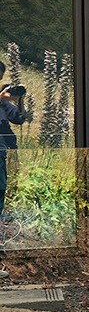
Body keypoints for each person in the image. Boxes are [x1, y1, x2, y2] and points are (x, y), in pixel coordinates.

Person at [0, 83, 24, 216]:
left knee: (2, 185)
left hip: (5, 150)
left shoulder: (4, 104)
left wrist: (20, 99)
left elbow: (19, 118)